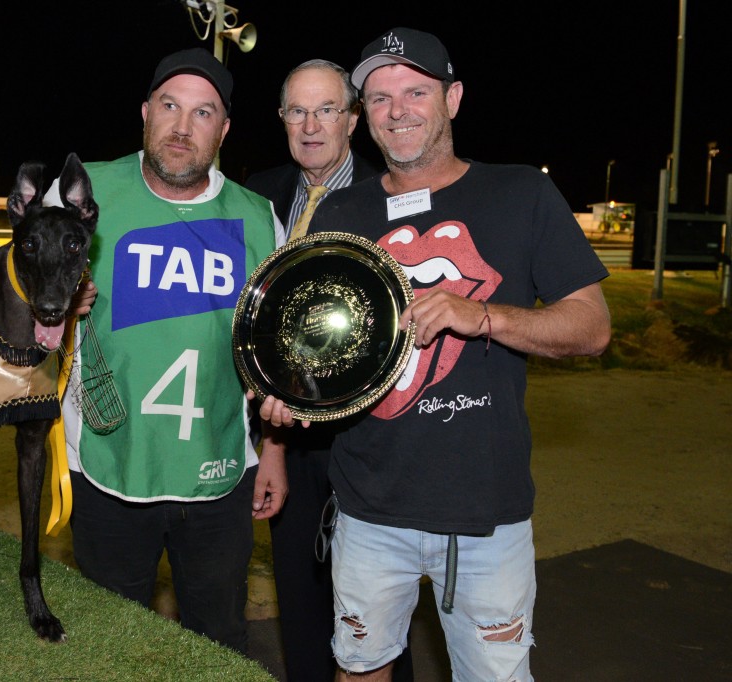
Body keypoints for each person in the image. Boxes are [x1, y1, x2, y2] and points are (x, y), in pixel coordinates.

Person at [285, 27, 611, 680]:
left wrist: (481, 316)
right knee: (360, 668)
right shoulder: (338, 214)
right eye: (379, 98)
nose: (397, 110)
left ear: (453, 98)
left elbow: (591, 327)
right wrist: (287, 400)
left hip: (485, 520)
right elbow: (312, 352)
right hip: (367, 510)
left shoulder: (520, 194)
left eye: (415, 92)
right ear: (363, 115)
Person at [47, 47, 288, 655]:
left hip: (218, 473)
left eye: (203, 113)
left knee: (218, 644)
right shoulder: (81, 192)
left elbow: (278, 356)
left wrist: (276, 451)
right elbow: (16, 302)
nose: (183, 127)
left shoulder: (259, 218)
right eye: (171, 107)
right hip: (106, 463)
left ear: (224, 129)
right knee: (111, 645)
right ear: (146, 113)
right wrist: (50, 305)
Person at [244, 59, 413, 682]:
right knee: (299, 596)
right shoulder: (256, 194)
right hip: (281, 428)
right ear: (283, 120)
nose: (310, 125)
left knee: (378, 607)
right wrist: (273, 444)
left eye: (326, 110)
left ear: (352, 119)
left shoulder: (391, 194)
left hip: (369, 436)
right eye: (296, 111)